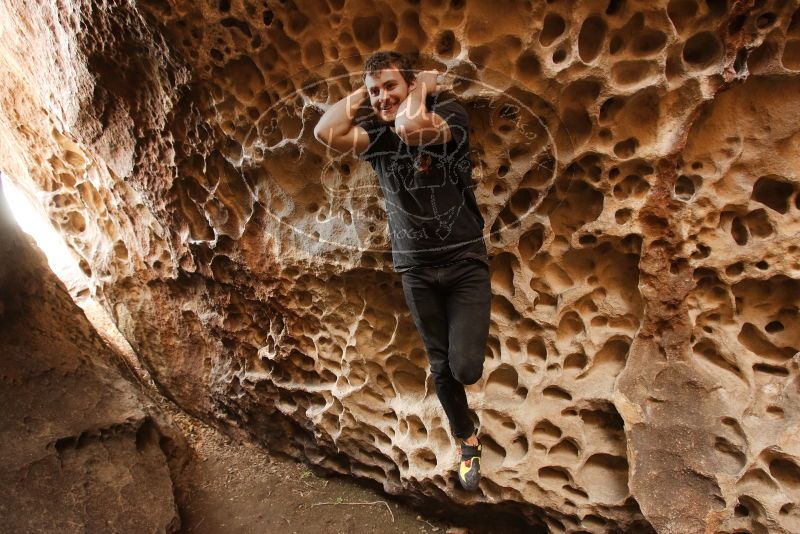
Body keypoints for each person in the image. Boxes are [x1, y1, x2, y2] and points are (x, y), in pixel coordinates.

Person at [314, 51, 491, 491]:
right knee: (441, 366)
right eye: (376, 90)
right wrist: (368, 93)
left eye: (390, 86)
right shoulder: (375, 134)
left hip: (465, 262)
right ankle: (467, 441)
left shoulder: (449, 114)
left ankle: (467, 420)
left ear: (412, 84)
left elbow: (412, 129)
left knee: (465, 367)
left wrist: (422, 89)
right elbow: (324, 130)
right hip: (415, 268)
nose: (382, 96)